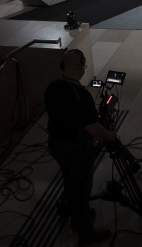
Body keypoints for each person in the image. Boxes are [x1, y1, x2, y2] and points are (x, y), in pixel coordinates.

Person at [45, 49, 117, 245]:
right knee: (82, 190)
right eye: (83, 65)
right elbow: (94, 129)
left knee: (69, 181)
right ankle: (85, 234)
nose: (84, 69)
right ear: (79, 67)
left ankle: (77, 215)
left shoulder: (52, 86)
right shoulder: (81, 95)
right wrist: (110, 136)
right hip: (76, 150)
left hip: (55, 145)